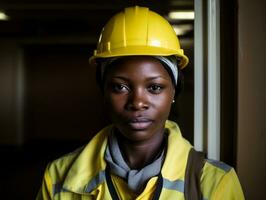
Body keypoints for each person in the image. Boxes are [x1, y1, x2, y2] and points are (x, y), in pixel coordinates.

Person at [36, 6, 245, 200]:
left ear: (174, 91)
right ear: (103, 91)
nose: (137, 103)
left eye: (154, 88)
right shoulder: (58, 177)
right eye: (120, 87)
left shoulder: (215, 182)